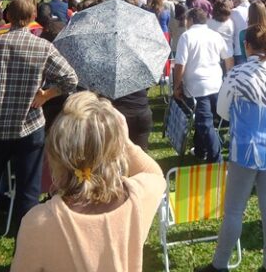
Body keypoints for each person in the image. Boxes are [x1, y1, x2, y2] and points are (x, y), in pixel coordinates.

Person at [0, 0, 79, 266]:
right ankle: (26, 255)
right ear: (33, 17)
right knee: (27, 193)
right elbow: (71, 78)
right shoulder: (42, 47)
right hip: (29, 129)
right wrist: (47, 95)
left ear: (8, 16)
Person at [10, 92, 165, 272]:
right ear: (117, 151)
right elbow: (154, 173)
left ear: (54, 155)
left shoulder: (38, 223)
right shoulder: (138, 200)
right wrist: (125, 141)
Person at [197, 24, 266, 272]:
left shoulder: (237, 74)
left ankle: (220, 265)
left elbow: (222, 111)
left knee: (234, 210)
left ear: (246, 45)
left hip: (245, 148)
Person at [173, 8, 233, 163]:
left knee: (205, 123)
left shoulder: (187, 36)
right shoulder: (215, 35)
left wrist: (176, 85)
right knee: (205, 119)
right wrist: (229, 78)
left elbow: (180, 64)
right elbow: (228, 58)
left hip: (197, 87)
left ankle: (216, 160)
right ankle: (200, 150)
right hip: (216, 83)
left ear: (191, 20)